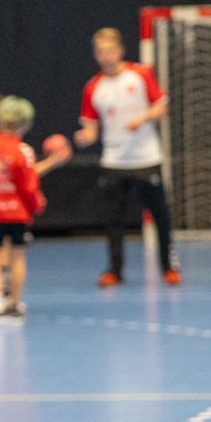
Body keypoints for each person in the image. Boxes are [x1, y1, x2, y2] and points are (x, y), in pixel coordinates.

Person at [75, 27, 178, 286]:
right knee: (114, 220)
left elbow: (162, 107)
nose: (106, 56)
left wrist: (142, 118)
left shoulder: (140, 75)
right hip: (114, 162)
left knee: (161, 216)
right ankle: (114, 270)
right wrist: (85, 137)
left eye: (110, 50)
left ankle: (168, 266)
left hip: (146, 158)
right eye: (100, 51)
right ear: (95, 54)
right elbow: (91, 126)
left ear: (120, 50)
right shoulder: (93, 87)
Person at [0, 96, 69, 322]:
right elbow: (28, 184)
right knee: (17, 256)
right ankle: (14, 303)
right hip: (17, 213)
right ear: (25, 124)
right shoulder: (24, 150)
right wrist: (37, 204)